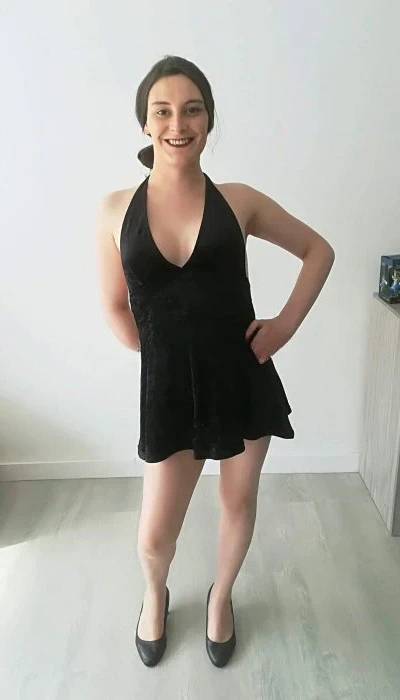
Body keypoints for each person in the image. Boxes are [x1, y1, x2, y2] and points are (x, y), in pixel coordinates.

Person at [95, 55, 335, 668]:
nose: (178, 124)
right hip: (169, 390)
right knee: (155, 537)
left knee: (237, 501)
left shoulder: (239, 201)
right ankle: (156, 593)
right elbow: (116, 306)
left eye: (192, 109)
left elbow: (318, 251)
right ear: (145, 123)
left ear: (208, 119)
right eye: (163, 111)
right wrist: (159, 351)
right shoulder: (115, 209)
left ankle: (220, 597)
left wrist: (283, 326)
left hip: (241, 377)